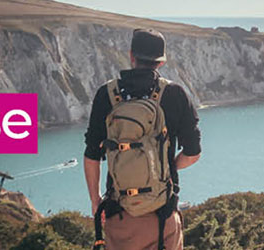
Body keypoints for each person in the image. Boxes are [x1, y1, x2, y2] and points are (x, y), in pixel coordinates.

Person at [82, 28, 202, 250]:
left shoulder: (106, 95)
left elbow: (92, 154)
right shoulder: (174, 94)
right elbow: (193, 152)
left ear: (131, 55)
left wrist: (95, 201)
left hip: (119, 217)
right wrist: (167, 169)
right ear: (161, 62)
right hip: (163, 218)